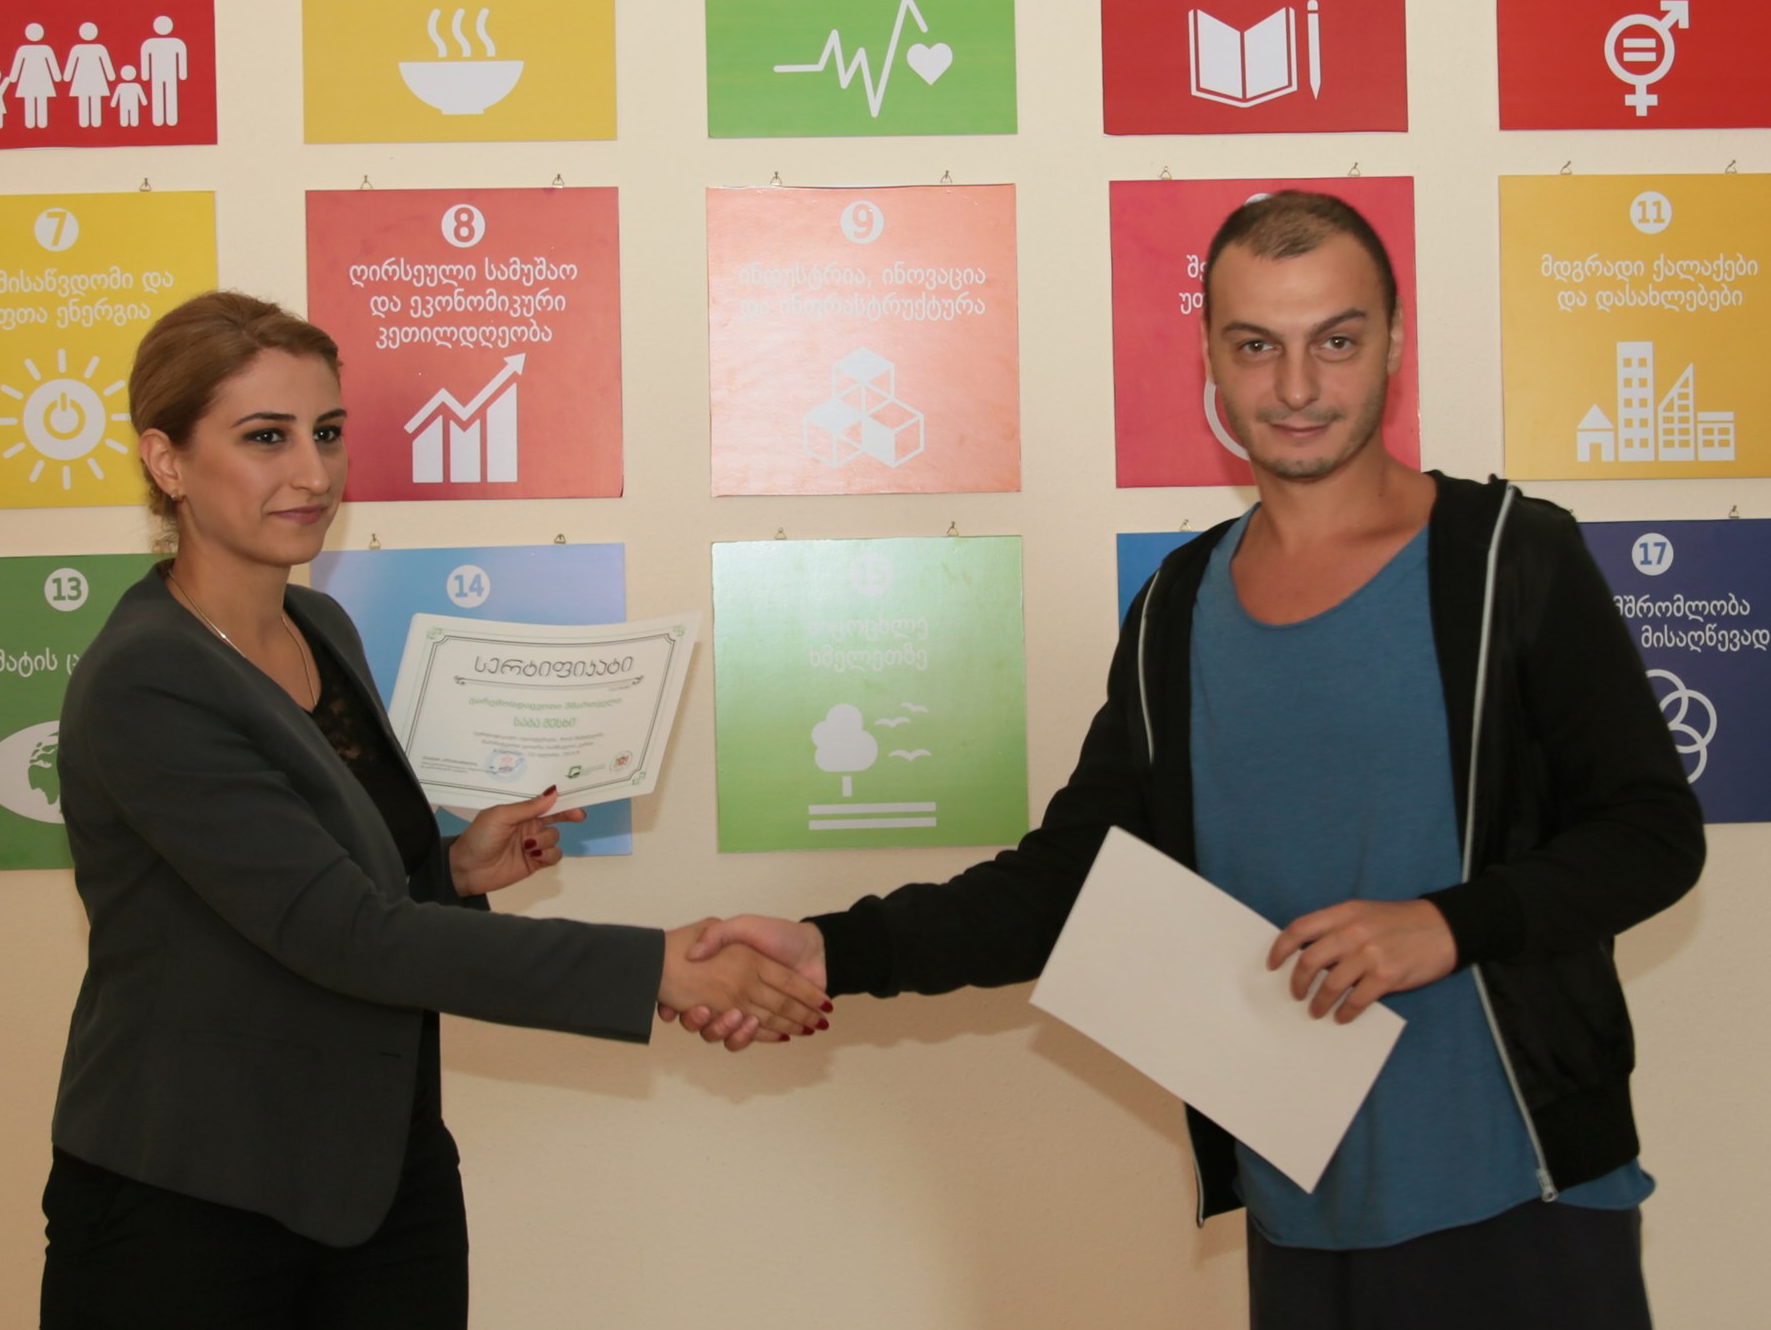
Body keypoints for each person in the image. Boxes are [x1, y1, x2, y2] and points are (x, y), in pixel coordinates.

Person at [671, 192, 1704, 1328]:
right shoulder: (1177, 606)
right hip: (1299, 1210)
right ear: (1209, 355)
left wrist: (1448, 924)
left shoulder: (1512, 557)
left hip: (1523, 1196)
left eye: (1335, 341)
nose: (1297, 387)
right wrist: (830, 948)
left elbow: (1652, 834)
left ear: (1393, 346)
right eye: (1256, 346)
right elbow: (1068, 884)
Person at [41, 291, 830, 1329]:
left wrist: (452, 868)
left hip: (380, 1175)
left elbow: (331, 887)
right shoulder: (147, 678)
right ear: (167, 461)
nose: (314, 473)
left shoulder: (319, 625)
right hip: (192, 1195)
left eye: (328, 433)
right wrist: (658, 968)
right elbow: (343, 934)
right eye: (266, 437)